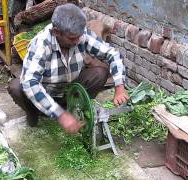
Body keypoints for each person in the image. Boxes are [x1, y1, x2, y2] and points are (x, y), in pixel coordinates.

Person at [8, 3, 129, 134]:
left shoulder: (81, 35)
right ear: (56, 32)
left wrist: (120, 86)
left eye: (79, 36)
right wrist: (61, 115)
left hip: (69, 91)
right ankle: (36, 113)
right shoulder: (41, 44)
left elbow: (112, 54)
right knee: (17, 87)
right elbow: (30, 83)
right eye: (72, 38)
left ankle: (76, 108)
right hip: (46, 91)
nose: (78, 41)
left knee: (100, 73)